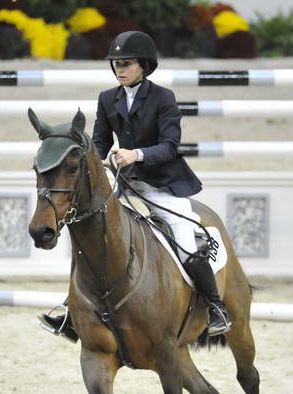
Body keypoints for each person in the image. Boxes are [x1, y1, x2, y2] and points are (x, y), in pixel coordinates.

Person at [41, 31, 231, 342]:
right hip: (124, 182)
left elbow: (170, 146)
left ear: (143, 65)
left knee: (184, 238)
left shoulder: (163, 98)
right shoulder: (107, 98)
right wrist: (99, 162)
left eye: (126, 63)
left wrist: (136, 154)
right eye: (116, 64)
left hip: (161, 185)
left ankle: (215, 306)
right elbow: (100, 141)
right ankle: (72, 310)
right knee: (88, 232)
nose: (119, 69)